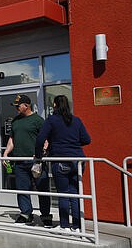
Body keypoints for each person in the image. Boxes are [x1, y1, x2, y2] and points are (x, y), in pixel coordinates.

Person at [35, 95, 91, 232]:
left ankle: (65, 225)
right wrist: (73, 144)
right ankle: (77, 226)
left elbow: (40, 139)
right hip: (78, 161)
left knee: (63, 194)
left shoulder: (52, 120)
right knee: (75, 193)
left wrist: (39, 156)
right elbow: (87, 140)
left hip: (60, 160)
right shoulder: (76, 120)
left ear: (54, 105)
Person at [3, 94, 52, 226]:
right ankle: (26, 214)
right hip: (20, 161)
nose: (16, 108)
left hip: (36, 161)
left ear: (27, 105)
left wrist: (43, 152)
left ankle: (46, 215)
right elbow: (12, 139)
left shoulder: (38, 120)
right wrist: (6, 153)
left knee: (42, 188)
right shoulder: (15, 121)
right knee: (22, 189)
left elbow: (46, 139)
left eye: (18, 106)